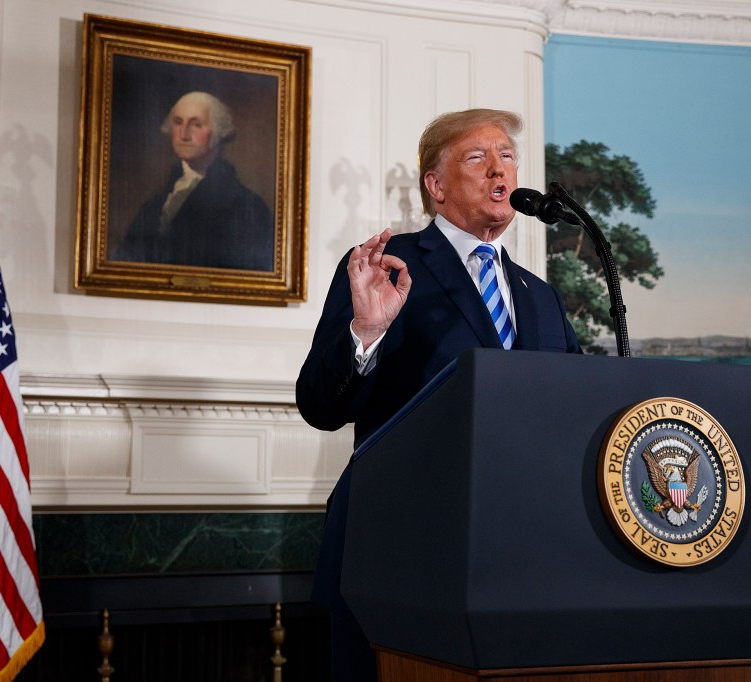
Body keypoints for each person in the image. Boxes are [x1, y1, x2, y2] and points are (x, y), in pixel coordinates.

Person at [296, 108, 582, 681]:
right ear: (436, 185)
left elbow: (573, 411)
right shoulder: (389, 267)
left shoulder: (540, 296)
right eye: (477, 157)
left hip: (521, 555)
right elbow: (319, 406)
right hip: (402, 550)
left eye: (507, 156)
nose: (500, 170)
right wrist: (366, 333)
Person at [114, 91, 275, 270]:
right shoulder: (155, 203)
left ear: (219, 132)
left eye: (196, 125)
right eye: (177, 123)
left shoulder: (247, 206)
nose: (183, 134)